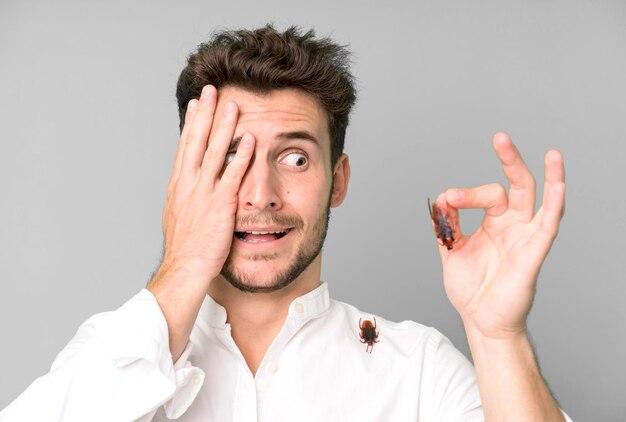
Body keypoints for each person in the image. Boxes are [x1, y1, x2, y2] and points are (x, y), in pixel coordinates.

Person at [0, 23, 573, 421]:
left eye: (294, 157)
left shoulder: (418, 370)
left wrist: (499, 337)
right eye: (231, 156)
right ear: (186, 177)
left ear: (339, 179)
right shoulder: (110, 357)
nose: (261, 193)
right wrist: (181, 267)